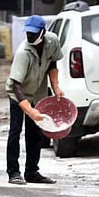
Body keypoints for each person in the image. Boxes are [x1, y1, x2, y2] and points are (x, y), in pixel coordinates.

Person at [5, 15, 64, 185]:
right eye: (28, 33)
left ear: (43, 32)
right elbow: (16, 84)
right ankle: (13, 173)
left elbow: (52, 63)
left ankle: (32, 172)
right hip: (18, 94)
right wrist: (30, 111)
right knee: (15, 131)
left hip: (38, 93)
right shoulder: (24, 52)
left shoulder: (52, 41)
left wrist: (56, 87)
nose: (29, 36)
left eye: (33, 33)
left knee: (35, 134)